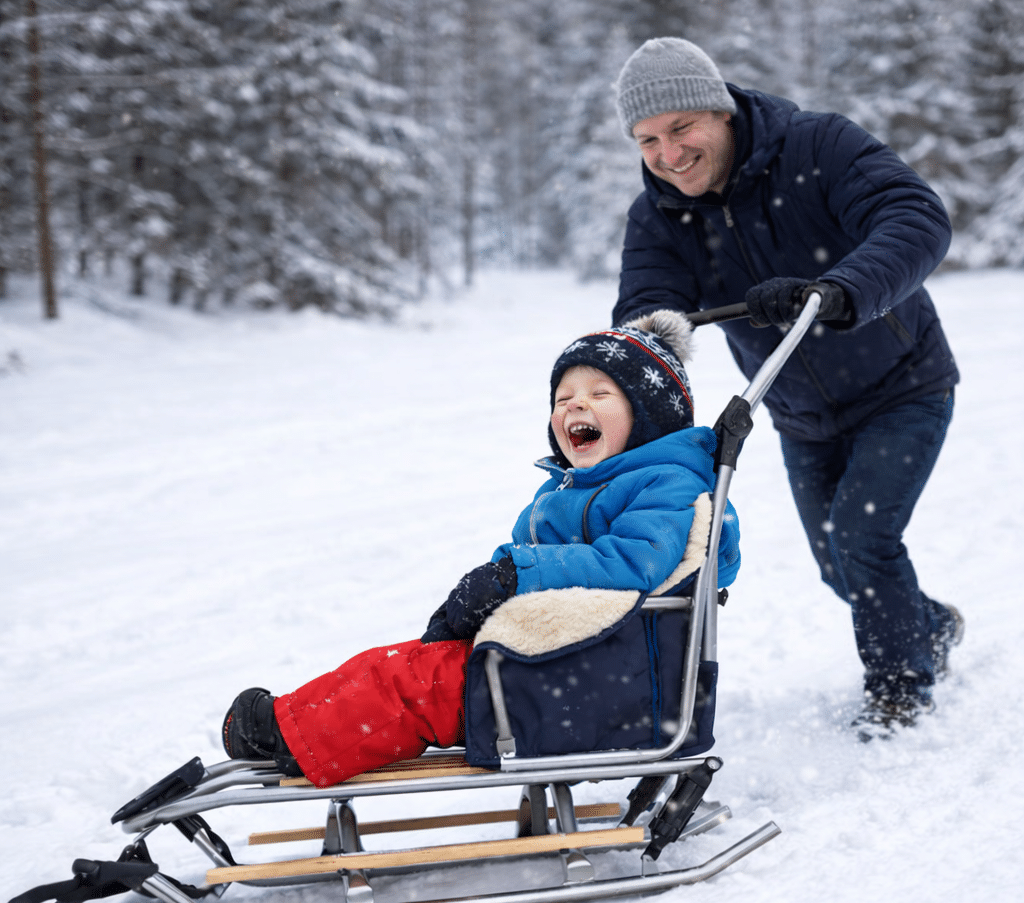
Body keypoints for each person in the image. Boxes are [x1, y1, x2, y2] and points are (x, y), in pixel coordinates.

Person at [221, 312, 741, 786]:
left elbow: (633, 563)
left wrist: (514, 576)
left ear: (649, 416)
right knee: (415, 664)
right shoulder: (567, 492)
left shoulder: (668, 485)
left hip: (603, 684)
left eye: (600, 394)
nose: (576, 404)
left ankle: (296, 736)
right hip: (561, 665)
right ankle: (298, 719)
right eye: (563, 398)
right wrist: (470, 606)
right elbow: (526, 557)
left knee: (421, 686)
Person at [610, 38, 962, 735]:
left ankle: (899, 688)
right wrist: (638, 352)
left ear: (721, 111)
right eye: (648, 139)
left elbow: (915, 217)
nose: (668, 153)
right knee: (842, 568)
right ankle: (930, 624)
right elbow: (645, 309)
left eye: (682, 129)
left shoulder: (818, 146)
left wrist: (838, 290)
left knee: (864, 540)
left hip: (903, 385)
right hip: (801, 414)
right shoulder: (659, 216)